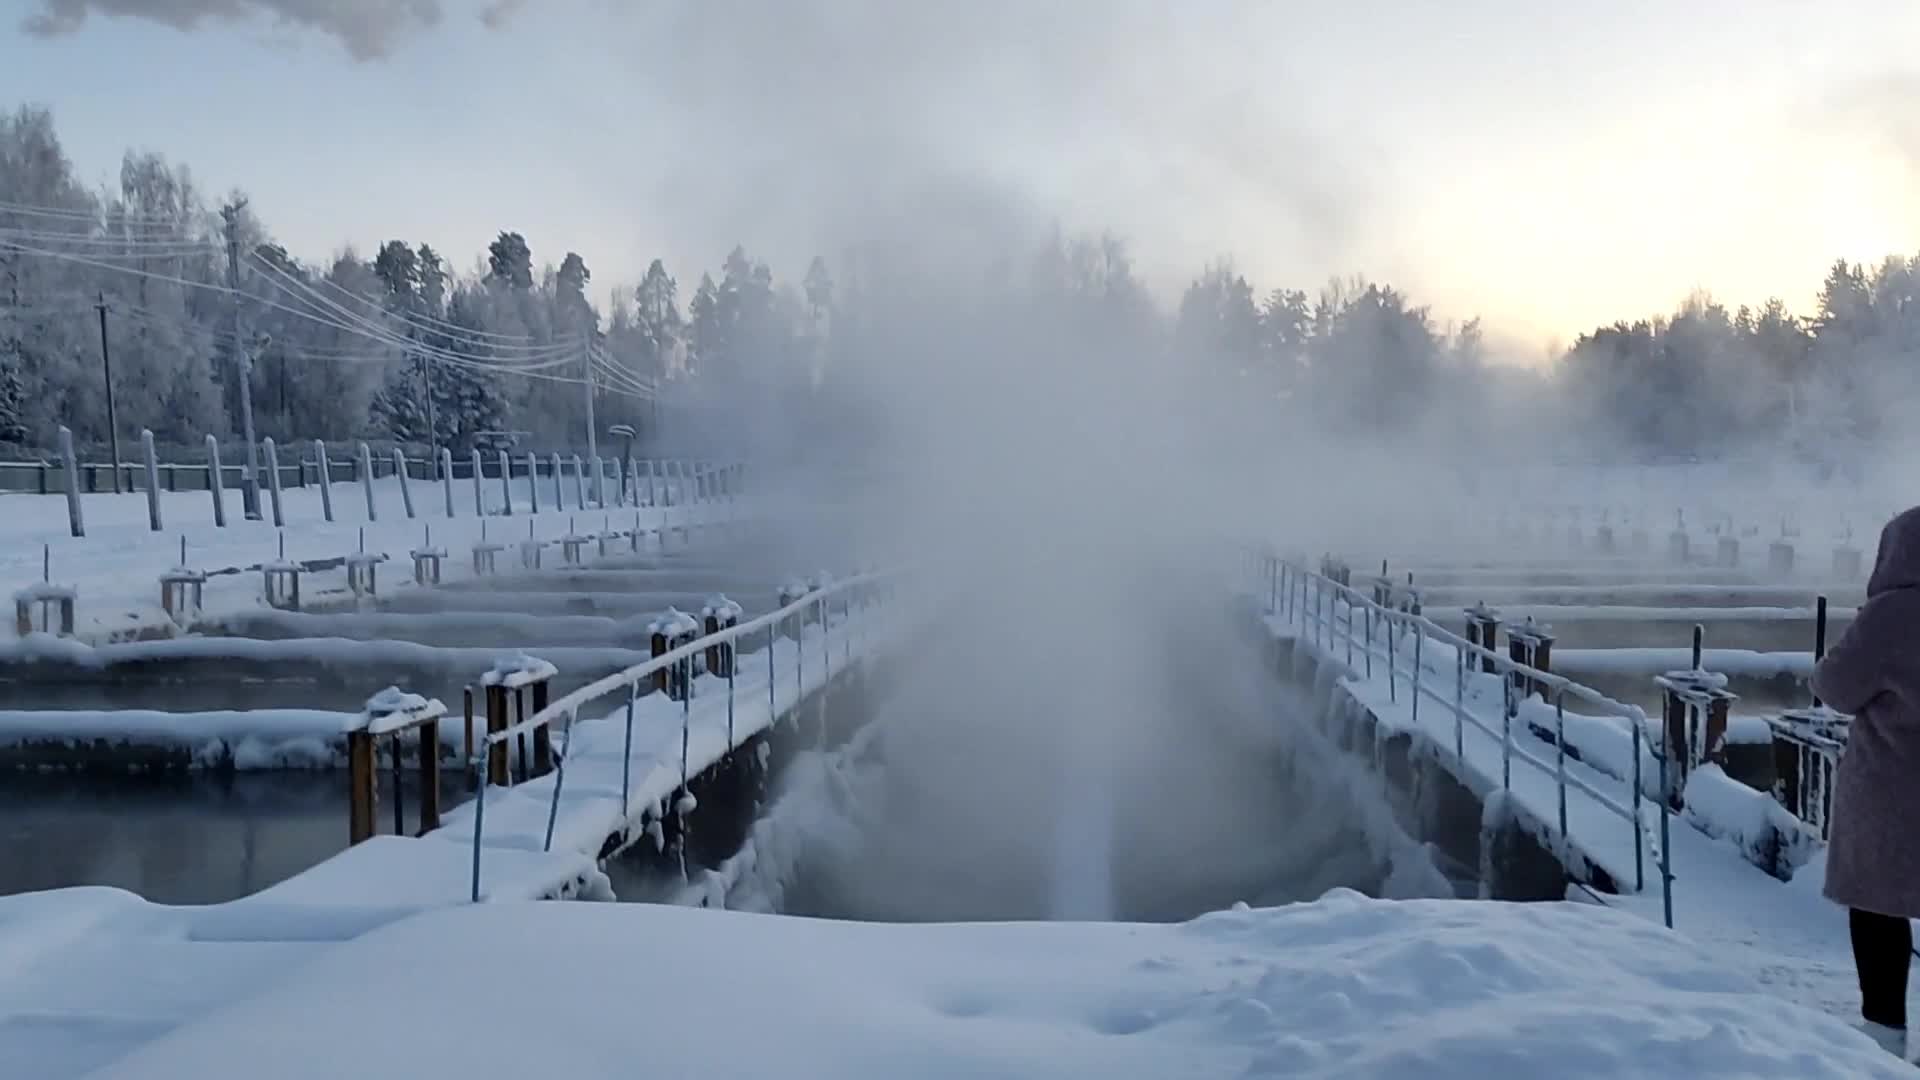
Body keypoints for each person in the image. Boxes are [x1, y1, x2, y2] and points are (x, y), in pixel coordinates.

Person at [1812, 506, 1920, 1060]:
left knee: (1880, 910)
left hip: (1893, 791)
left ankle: (1885, 1035)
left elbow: (1835, 685)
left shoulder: (1892, 614)